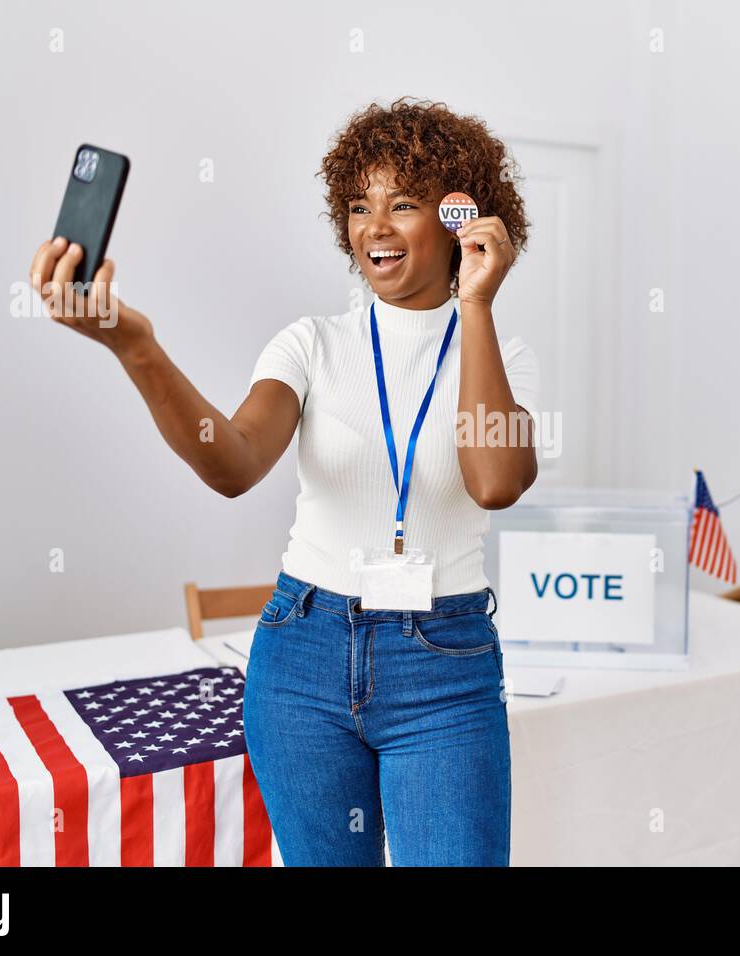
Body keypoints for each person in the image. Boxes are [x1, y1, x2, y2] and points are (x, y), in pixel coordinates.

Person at [27, 96, 540, 866]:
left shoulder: (498, 352)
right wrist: (135, 347)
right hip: (302, 653)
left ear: (460, 220)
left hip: (443, 665)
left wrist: (476, 305)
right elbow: (231, 462)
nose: (375, 226)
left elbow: (495, 481)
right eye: (360, 206)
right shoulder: (312, 344)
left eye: (404, 203)